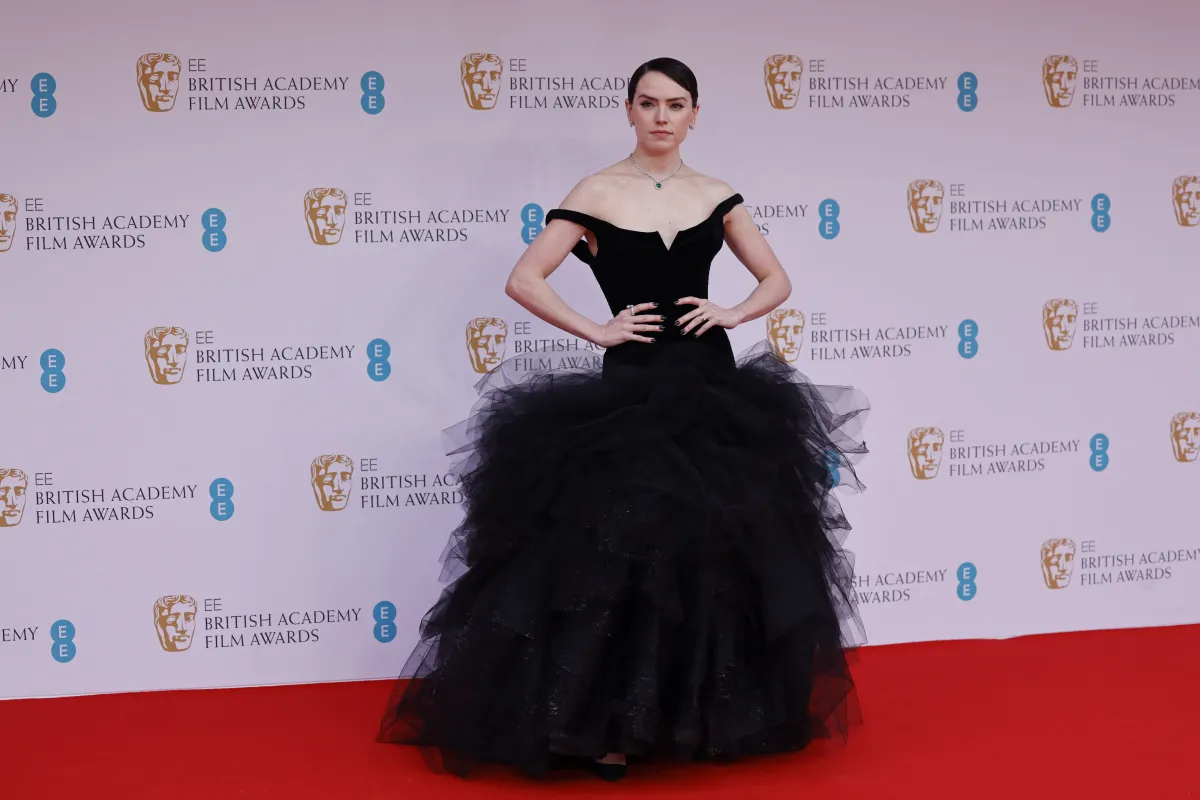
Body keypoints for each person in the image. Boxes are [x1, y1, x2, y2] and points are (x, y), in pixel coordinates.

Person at [378, 57, 870, 782]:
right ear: (630, 110)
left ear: (695, 114)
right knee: (618, 552)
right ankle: (608, 726)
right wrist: (597, 330)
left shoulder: (717, 194)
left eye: (675, 104)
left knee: (719, 547)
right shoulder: (596, 192)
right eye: (648, 103)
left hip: (713, 386)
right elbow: (524, 278)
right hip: (631, 392)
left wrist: (733, 312)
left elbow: (777, 279)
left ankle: (704, 715)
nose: (662, 116)